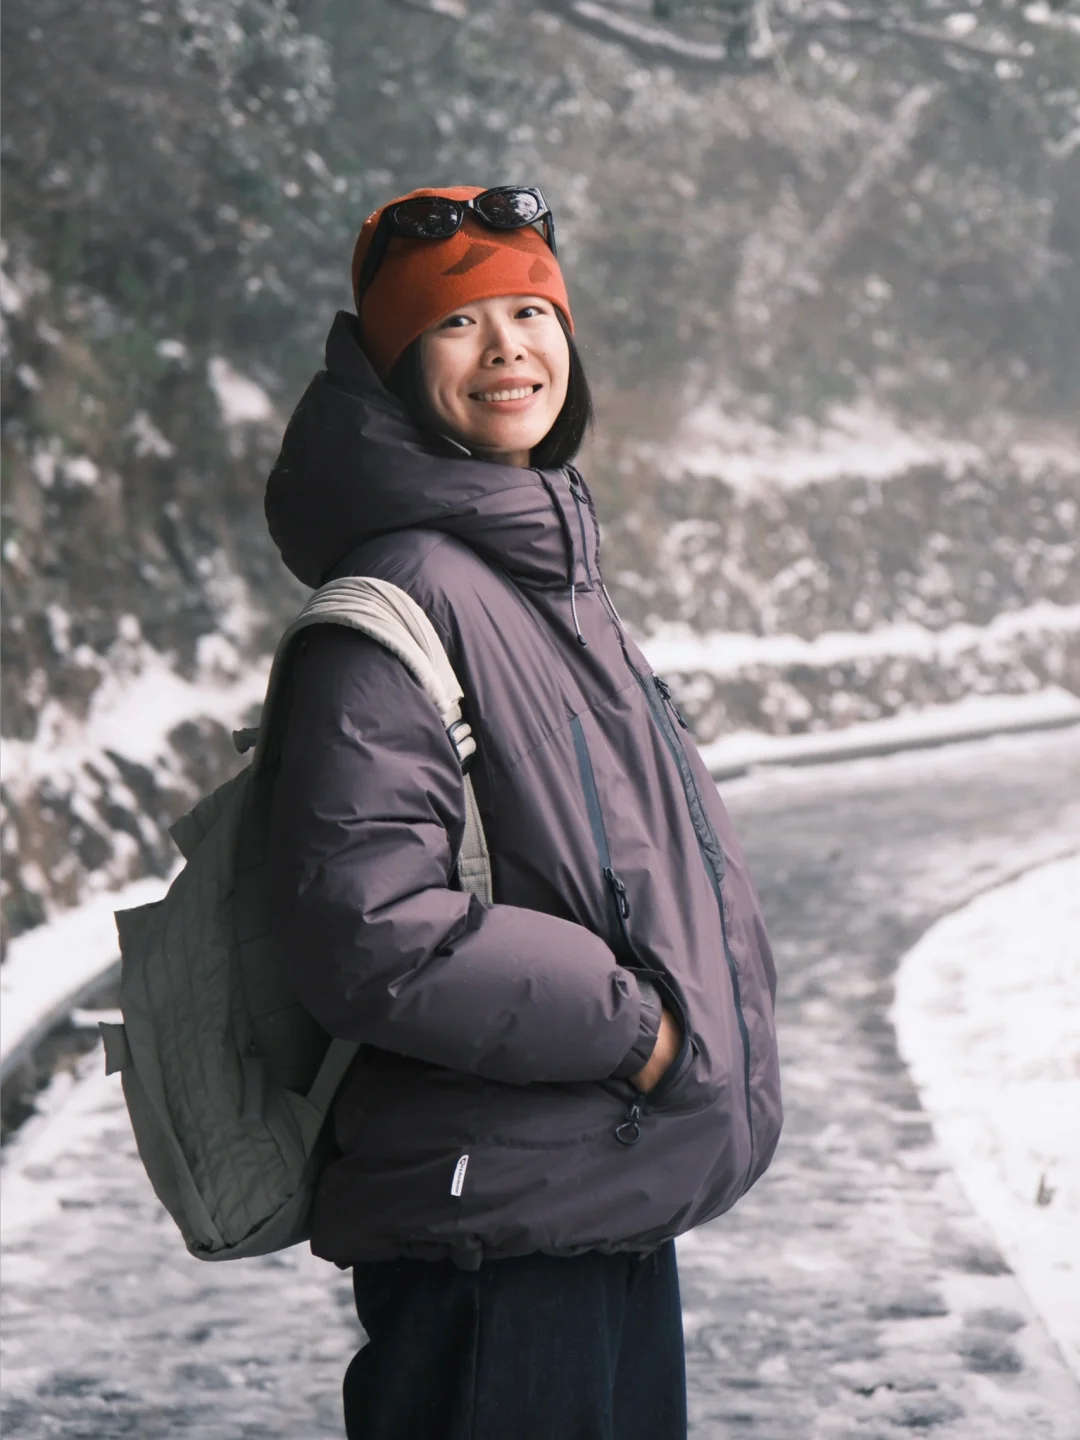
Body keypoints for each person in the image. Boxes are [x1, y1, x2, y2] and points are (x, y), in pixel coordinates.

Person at [264, 184, 782, 1440]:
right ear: (394, 366)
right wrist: (640, 1032)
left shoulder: (543, 579)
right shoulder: (400, 599)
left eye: (529, 309)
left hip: (593, 1190)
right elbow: (370, 927)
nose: (508, 348)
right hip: (494, 1232)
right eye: (456, 323)